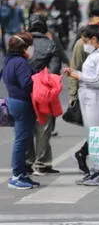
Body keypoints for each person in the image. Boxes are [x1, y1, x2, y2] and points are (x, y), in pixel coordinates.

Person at [64, 25, 99, 186]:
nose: (85, 44)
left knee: (96, 135)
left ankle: (98, 171)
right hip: (88, 96)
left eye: (86, 40)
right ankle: (95, 170)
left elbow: (98, 80)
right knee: (93, 135)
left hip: (96, 97)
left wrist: (77, 75)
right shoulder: (97, 53)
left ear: (94, 39)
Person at [27, 15, 67, 175]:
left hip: (24, 90)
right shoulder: (51, 45)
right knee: (43, 127)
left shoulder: (23, 44)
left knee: (26, 129)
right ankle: (42, 163)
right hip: (43, 91)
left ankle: (27, 161)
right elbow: (54, 71)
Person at [3, 33, 41, 189]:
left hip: (14, 101)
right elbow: (26, 83)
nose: (31, 49)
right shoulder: (20, 63)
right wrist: (40, 81)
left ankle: (22, 173)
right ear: (23, 47)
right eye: (29, 45)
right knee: (21, 141)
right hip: (22, 104)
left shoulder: (9, 61)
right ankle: (17, 175)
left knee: (23, 140)